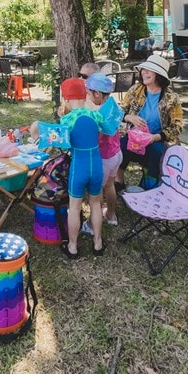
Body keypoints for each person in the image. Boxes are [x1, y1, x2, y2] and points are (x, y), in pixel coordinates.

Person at [55, 77, 120, 259]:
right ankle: (98, 243)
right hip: (97, 165)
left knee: (74, 207)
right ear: (85, 94)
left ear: (66, 99)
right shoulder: (96, 115)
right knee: (96, 204)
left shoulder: (67, 120)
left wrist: (62, 117)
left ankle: (73, 246)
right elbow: (106, 129)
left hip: (79, 166)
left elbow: (65, 145)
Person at [116, 53, 184, 189]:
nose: (144, 72)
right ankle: (119, 182)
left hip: (157, 139)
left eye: (149, 70)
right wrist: (129, 117)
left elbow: (177, 127)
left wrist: (154, 137)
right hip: (134, 136)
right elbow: (118, 111)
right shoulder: (135, 90)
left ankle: (150, 184)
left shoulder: (171, 97)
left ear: (159, 75)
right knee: (119, 147)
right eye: (143, 69)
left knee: (156, 152)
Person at [82, 72, 122, 232]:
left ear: (97, 93)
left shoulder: (95, 113)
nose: (87, 96)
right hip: (116, 154)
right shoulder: (113, 104)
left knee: (95, 194)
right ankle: (111, 215)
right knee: (110, 185)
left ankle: (92, 224)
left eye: (88, 93)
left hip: (103, 158)